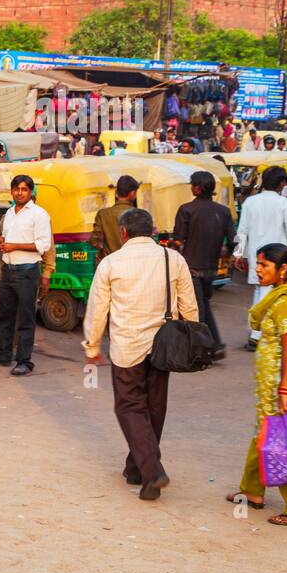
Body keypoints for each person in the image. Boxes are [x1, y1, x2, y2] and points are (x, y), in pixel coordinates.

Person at [83, 207, 198, 500]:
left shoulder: (111, 263)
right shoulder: (173, 259)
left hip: (127, 346)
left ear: (123, 233)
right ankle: (137, 468)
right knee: (155, 406)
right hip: (164, 347)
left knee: (129, 407)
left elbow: (98, 310)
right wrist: (191, 339)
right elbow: (190, 308)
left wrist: (92, 346)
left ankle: (151, 471)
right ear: (153, 230)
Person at [229, 243, 287, 525]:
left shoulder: (286, 303)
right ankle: (252, 490)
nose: (257, 269)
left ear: (283, 270)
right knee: (264, 435)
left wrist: (285, 389)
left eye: (264, 265)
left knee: (280, 443)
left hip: (280, 386)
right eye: (258, 263)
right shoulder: (276, 298)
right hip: (269, 385)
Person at [0, 174, 53, 376]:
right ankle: (3, 355)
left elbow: (44, 245)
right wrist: (1, 240)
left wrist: (14, 245)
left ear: (31, 192)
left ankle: (24, 361)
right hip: (8, 269)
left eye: (24, 189)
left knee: (25, 318)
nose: (19, 192)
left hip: (27, 271)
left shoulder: (39, 214)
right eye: (16, 189)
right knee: (4, 315)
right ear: (11, 191)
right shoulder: (9, 213)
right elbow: (7, 241)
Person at [172, 169, 235, 356]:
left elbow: (178, 240)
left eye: (192, 185)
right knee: (203, 305)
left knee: (196, 309)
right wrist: (229, 254)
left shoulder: (186, 210)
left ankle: (202, 350)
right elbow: (235, 240)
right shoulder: (223, 212)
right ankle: (215, 344)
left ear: (197, 189)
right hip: (211, 268)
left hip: (191, 268)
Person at [235, 166, 287, 350]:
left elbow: (242, 232)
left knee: (262, 292)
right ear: (282, 183)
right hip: (279, 255)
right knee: (271, 293)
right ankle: (258, 333)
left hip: (257, 255)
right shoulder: (284, 204)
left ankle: (257, 332)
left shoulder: (250, 202)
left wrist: (239, 255)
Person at [91, 176, 138, 259]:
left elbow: (95, 241)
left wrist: (104, 252)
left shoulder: (102, 214)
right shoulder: (139, 214)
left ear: (117, 193)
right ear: (132, 193)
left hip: (111, 262)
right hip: (133, 262)